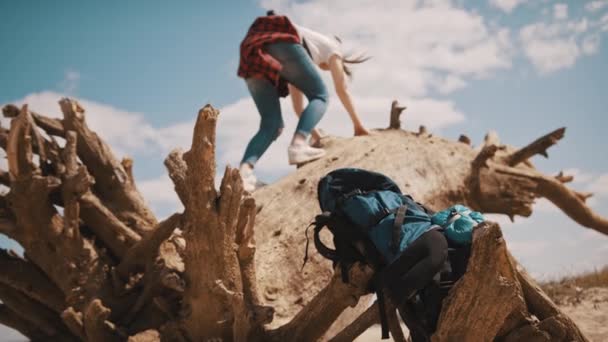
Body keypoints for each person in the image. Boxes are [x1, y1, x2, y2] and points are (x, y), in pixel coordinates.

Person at [237, 11, 370, 192]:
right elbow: (342, 90)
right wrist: (358, 126)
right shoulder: (333, 46)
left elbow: (299, 109)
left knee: (272, 124)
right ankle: (298, 145)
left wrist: (315, 136)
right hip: (281, 43)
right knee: (321, 96)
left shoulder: (301, 60)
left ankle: (244, 175)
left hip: (251, 50)